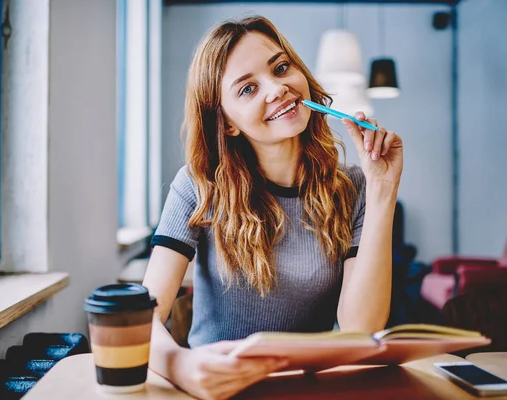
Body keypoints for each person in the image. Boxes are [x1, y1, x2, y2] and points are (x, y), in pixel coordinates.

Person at [142, 15, 403, 400]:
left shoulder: (354, 187)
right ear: (227, 123)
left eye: (281, 68)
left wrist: (383, 191)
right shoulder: (198, 186)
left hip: (311, 391)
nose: (277, 88)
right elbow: (142, 318)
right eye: (247, 89)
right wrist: (181, 365)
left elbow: (360, 327)